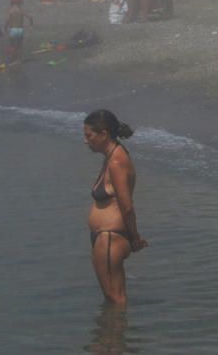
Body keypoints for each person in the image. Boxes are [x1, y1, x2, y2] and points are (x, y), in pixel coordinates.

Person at [84, 109, 147, 307]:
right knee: (111, 300)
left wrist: (135, 238)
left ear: (103, 134)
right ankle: (110, 338)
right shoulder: (110, 157)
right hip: (103, 237)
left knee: (116, 300)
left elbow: (127, 206)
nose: (86, 141)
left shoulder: (117, 161)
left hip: (111, 236)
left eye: (89, 135)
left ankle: (115, 337)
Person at [4, 0, 34, 64]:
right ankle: (19, 60)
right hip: (20, 30)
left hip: (13, 30)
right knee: (19, 46)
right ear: (20, 2)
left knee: (12, 45)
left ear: (12, 2)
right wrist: (31, 26)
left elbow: (7, 21)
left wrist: (5, 28)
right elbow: (30, 17)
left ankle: (12, 59)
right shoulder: (21, 10)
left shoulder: (11, 11)